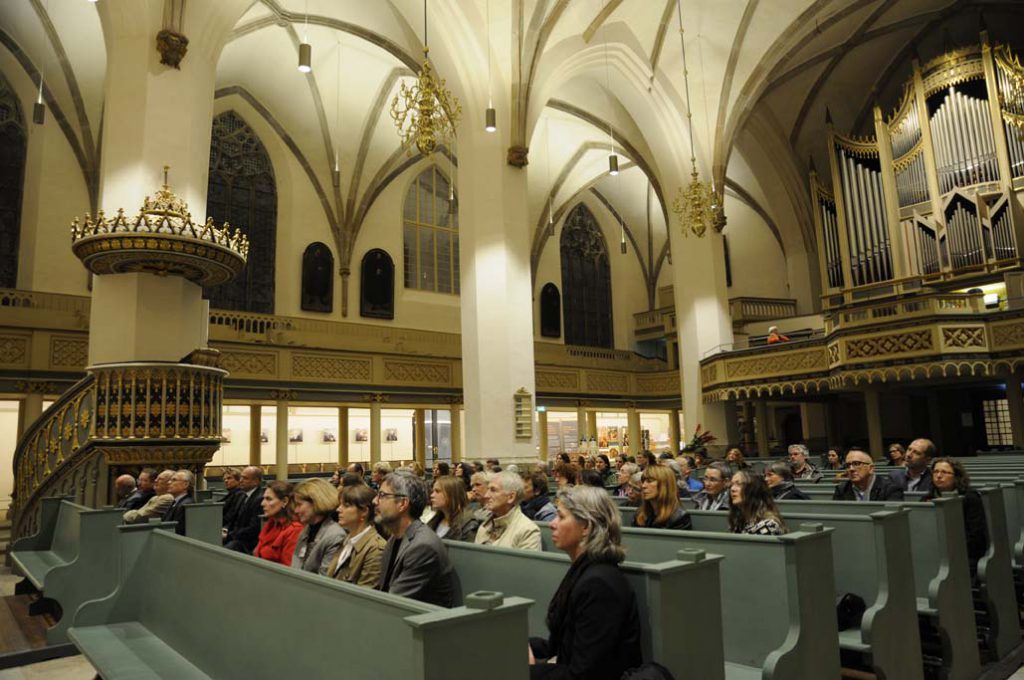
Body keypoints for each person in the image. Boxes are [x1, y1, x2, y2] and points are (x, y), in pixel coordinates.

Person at [528, 486, 642, 679]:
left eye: (561, 517)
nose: (552, 524)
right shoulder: (586, 570)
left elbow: (586, 673)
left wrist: (526, 672)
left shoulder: (600, 584)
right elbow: (567, 643)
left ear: (586, 527)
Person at [375, 470, 461, 607]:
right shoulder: (395, 538)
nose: (375, 501)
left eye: (382, 495)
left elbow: (393, 603)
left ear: (402, 503)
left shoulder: (422, 547)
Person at [924, 457, 988, 574]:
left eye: (944, 472)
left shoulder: (970, 498)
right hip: (933, 551)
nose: (938, 476)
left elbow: (976, 535)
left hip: (964, 553)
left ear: (956, 476)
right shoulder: (926, 499)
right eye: (936, 472)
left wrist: (951, 548)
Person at [327, 483, 386, 587]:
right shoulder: (346, 539)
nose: (338, 509)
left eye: (346, 505)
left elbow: (364, 597)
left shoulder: (376, 549)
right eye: (340, 505)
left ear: (364, 511)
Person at [291, 478, 346, 576]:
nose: (296, 510)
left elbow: (324, 580)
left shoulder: (335, 536)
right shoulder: (307, 529)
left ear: (316, 503)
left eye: (299, 505)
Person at [476, 471, 542, 550]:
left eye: (493, 490)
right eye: (488, 490)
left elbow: (527, 562)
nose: (486, 495)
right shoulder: (484, 526)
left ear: (511, 497)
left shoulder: (528, 531)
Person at [253, 481, 303, 566]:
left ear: (284, 501)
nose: (262, 504)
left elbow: (287, 569)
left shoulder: (295, 530)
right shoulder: (271, 523)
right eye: (263, 499)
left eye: (268, 499)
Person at [633, 464, 692, 530]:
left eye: (649, 481)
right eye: (643, 481)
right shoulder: (639, 514)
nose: (643, 486)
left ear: (664, 485)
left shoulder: (680, 517)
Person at [728, 470, 787, 535]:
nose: (732, 489)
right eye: (732, 484)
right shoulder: (740, 519)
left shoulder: (768, 525)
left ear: (753, 490)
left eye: (739, 484)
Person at [832, 450, 904, 501]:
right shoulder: (841, 489)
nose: (851, 469)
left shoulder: (890, 489)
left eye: (856, 464)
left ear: (871, 468)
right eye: (848, 465)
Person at [224, 466, 264, 553]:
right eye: (241, 477)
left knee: (225, 550)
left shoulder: (259, 499)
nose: (241, 480)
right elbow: (233, 518)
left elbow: (253, 529)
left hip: (247, 542)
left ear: (255, 482)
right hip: (236, 536)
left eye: (245, 478)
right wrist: (226, 531)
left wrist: (230, 535)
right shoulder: (242, 495)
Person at [426, 475, 480, 541]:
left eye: (437, 491)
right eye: (433, 491)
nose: (432, 495)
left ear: (452, 494)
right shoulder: (435, 520)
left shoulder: (468, 524)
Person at [161, 469, 195, 536]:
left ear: (185, 484)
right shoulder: (176, 501)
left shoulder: (186, 504)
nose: (169, 482)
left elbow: (178, 531)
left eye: (174, 480)